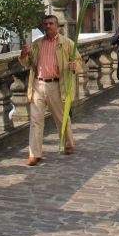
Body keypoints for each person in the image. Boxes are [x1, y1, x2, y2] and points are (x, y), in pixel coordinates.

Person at [19, 14, 81, 166]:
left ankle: (68, 143)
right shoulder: (37, 44)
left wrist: (75, 66)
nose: (48, 26)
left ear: (57, 26)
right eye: (45, 24)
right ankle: (34, 154)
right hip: (38, 84)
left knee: (62, 118)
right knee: (35, 120)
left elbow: (78, 61)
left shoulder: (67, 43)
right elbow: (27, 64)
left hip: (57, 85)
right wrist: (23, 55)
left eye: (51, 23)